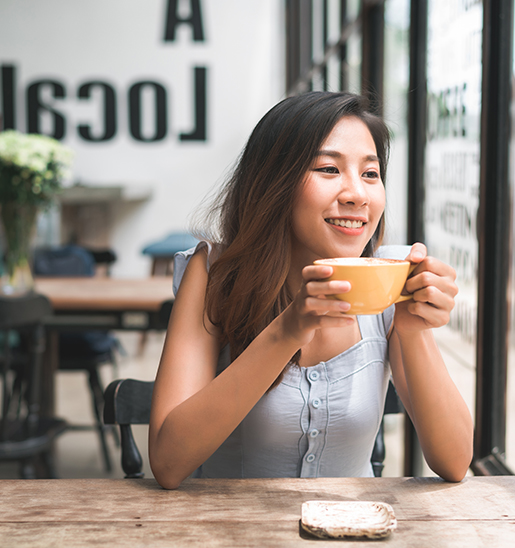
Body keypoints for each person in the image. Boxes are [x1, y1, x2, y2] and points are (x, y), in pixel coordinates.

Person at [148, 91, 473, 489]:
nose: (356, 194)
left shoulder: (391, 280)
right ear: (275, 184)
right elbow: (167, 462)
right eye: (328, 169)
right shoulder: (215, 275)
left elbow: (455, 462)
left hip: (356, 530)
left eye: (370, 174)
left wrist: (413, 330)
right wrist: (288, 332)